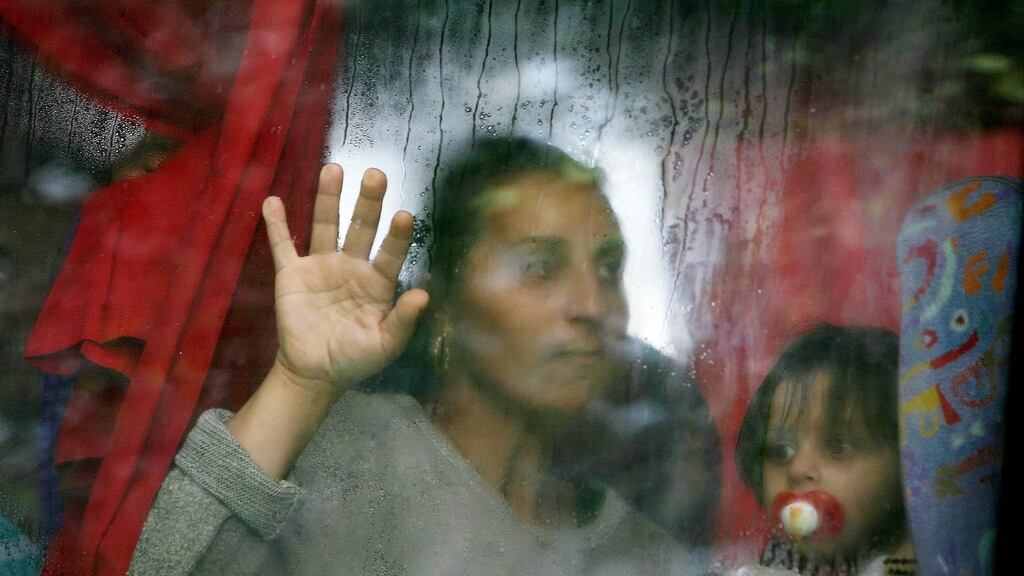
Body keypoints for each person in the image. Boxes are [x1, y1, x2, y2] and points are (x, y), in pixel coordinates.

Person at [129, 138, 703, 575]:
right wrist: (298, 384)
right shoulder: (332, 460)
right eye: (539, 266)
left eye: (608, 269)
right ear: (446, 303)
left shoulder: (646, 555)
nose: (592, 304)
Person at [733, 325, 915, 576]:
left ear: (905, 464)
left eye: (838, 447)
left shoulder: (918, 561)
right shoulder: (774, 563)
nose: (798, 469)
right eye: (780, 451)